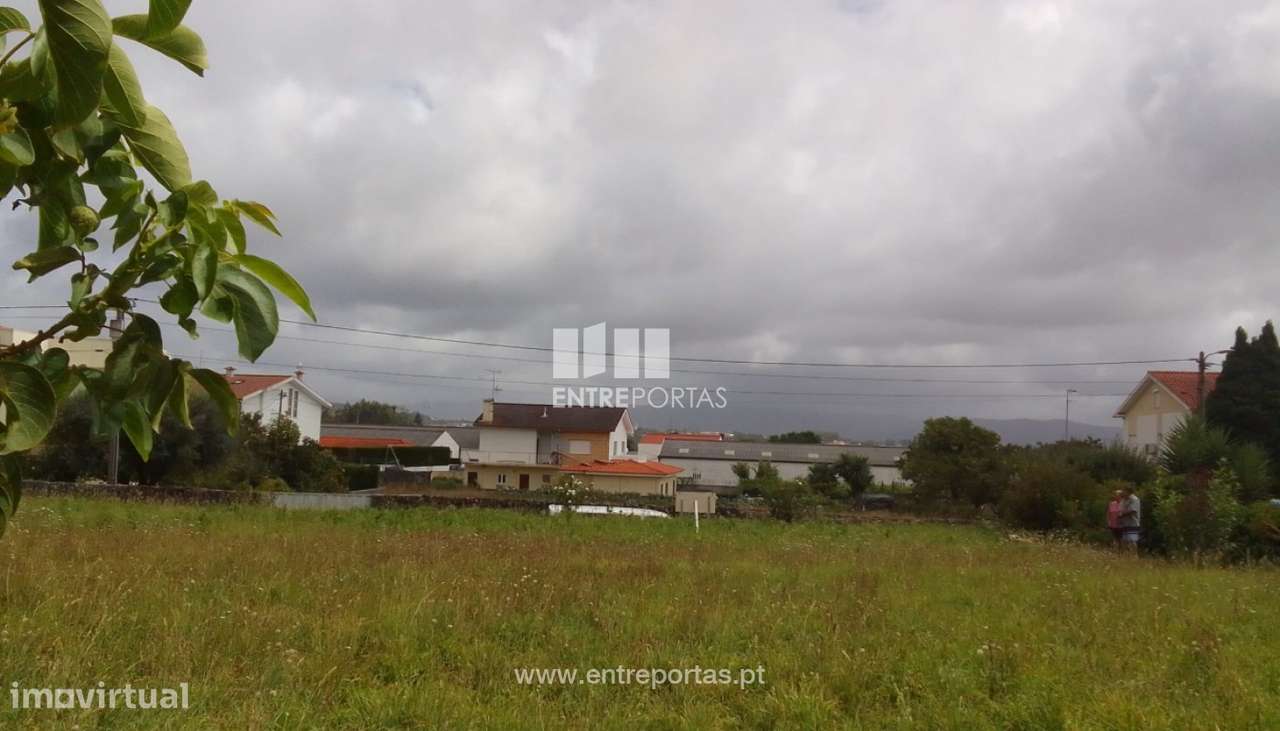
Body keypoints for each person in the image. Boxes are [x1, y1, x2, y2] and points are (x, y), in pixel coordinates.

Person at [1117, 486, 1141, 553]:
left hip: (1132, 523)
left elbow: (1133, 511)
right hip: (1125, 523)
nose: (1122, 492)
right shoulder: (1124, 500)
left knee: (1132, 540)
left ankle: (1134, 556)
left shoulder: (1134, 499)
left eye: (1124, 491)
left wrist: (1121, 514)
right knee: (1124, 541)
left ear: (1128, 491)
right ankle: (1125, 556)